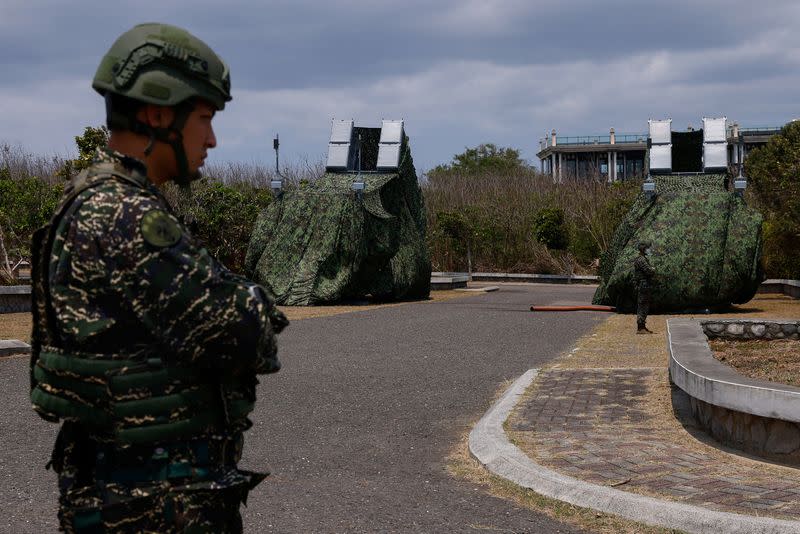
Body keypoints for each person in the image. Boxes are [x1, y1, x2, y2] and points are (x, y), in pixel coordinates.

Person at [29, 23, 288, 533]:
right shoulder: (125, 214)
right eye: (204, 119)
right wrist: (254, 302)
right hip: (151, 500)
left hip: (125, 491)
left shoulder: (97, 199)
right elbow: (240, 330)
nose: (212, 139)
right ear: (158, 113)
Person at [633, 240, 655, 334]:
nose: (649, 250)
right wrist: (653, 269)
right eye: (647, 248)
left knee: (645, 306)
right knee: (642, 306)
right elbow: (649, 271)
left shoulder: (642, 259)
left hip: (645, 285)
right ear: (643, 249)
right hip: (643, 285)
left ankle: (642, 326)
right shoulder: (641, 260)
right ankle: (640, 327)